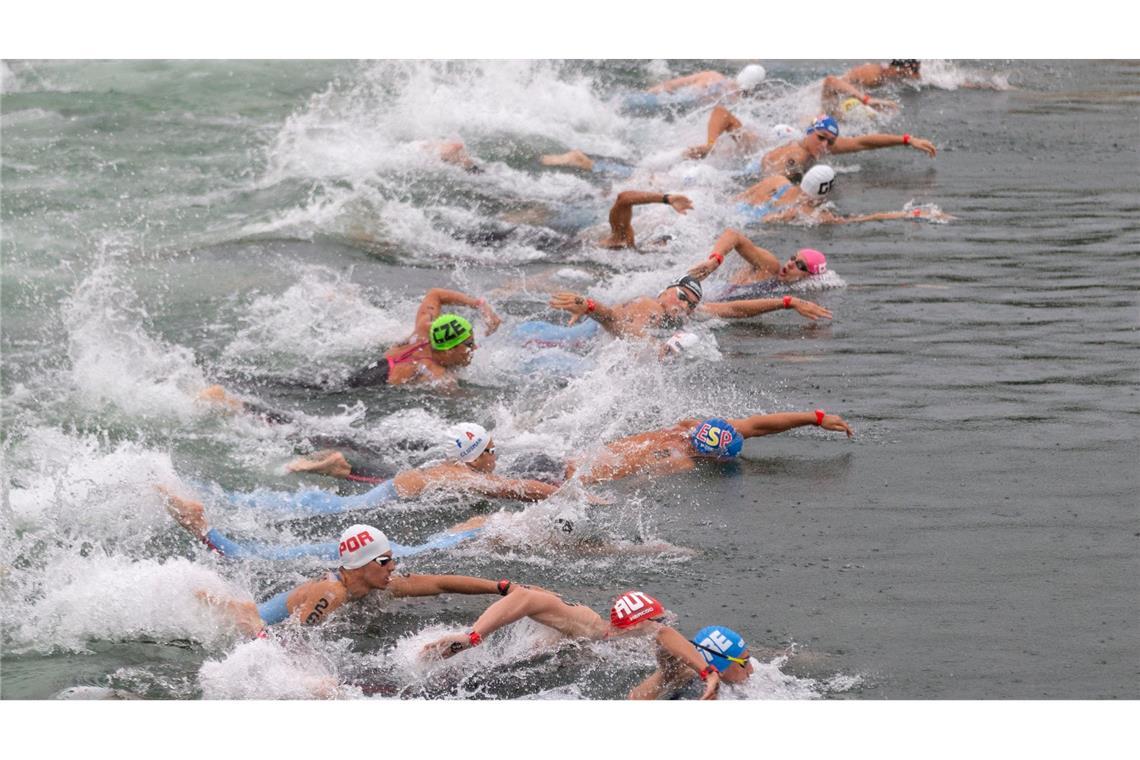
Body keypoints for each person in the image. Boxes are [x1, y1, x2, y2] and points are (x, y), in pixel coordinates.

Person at [187, 520, 517, 637]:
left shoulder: (377, 584)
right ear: (360, 564)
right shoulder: (333, 593)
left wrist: (501, 587)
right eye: (385, 560)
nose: (393, 567)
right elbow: (294, 638)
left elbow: (441, 583)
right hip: (255, 625)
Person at [180, 423, 567, 518]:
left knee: (247, 502)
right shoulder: (460, 476)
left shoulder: (447, 467)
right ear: (477, 455)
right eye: (492, 451)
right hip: (344, 509)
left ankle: (187, 489)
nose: (496, 457)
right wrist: (567, 494)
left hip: (351, 501)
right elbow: (516, 488)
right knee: (246, 506)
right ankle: (184, 491)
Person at [421, 588, 722, 699]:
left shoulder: (636, 642)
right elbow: (526, 597)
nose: (663, 625)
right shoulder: (589, 626)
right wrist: (472, 637)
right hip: (492, 677)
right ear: (643, 623)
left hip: (513, 682)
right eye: (658, 620)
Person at [159, 485, 488, 563]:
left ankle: (201, 524)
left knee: (259, 551)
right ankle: (201, 527)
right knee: (254, 558)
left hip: (373, 546)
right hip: (368, 551)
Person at [564, 410, 854, 484]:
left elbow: (756, 425)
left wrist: (815, 418)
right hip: (569, 479)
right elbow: (634, 484)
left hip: (567, 460)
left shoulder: (686, 426)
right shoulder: (681, 461)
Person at [547, 271, 832, 344]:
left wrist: (787, 302)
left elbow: (735, 310)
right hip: (571, 342)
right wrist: (590, 306)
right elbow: (616, 322)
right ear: (665, 291)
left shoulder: (682, 315)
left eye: (691, 304)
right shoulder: (650, 306)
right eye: (681, 296)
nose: (685, 305)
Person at [736, 165, 952, 226]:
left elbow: (734, 200)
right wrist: (908, 214)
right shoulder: (811, 213)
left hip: (734, 215)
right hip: (751, 225)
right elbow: (860, 219)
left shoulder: (776, 182)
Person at [759, 114, 937, 182]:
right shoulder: (795, 157)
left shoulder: (820, 145)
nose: (825, 145)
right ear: (808, 133)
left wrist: (907, 139)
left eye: (830, 142)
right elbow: (772, 183)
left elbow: (861, 142)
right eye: (821, 138)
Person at [686, 228, 833, 301]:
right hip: (700, 293)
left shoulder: (790, 291)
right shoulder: (770, 267)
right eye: (793, 258)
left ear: (809, 276)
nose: (789, 264)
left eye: (799, 265)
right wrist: (715, 261)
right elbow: (733, 235)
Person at [629, 624, 755, 699]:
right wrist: (709, 674)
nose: (752, 670)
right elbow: (663, 634)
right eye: (744, 662)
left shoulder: (760, 679)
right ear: (719, 669)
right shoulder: (681, 675)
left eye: (749, 658)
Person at [620, 64, 766, 114]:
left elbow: (670, 85)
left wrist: (648, 92)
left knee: (620, 103)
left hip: (659, 101)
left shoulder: (711, 76)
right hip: (678, 113)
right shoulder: (736, 103)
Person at [821, 60, 921, 113]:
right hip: (834, 95)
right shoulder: (872, 74)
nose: (917, 76)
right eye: (915, 71)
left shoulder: (891, 75)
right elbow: (832, 83)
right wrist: (867, 101)